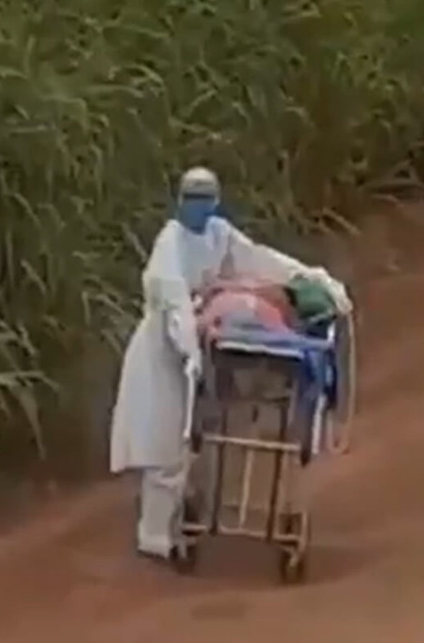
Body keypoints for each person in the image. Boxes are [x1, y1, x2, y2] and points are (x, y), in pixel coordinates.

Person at [109, 166, 352, 561]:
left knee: (194, 439)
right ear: (180, 200)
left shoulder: (220, 236)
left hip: (202, 346)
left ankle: (182, 517)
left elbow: (261, 261)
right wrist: (188, 347)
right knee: (165, 444)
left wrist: (315, 279)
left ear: (217, 201)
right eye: (193, 198)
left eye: (206, 198)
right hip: (164, 351)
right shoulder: (170, 243)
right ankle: (153, 536)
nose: (199, 207)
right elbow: (171, 301)